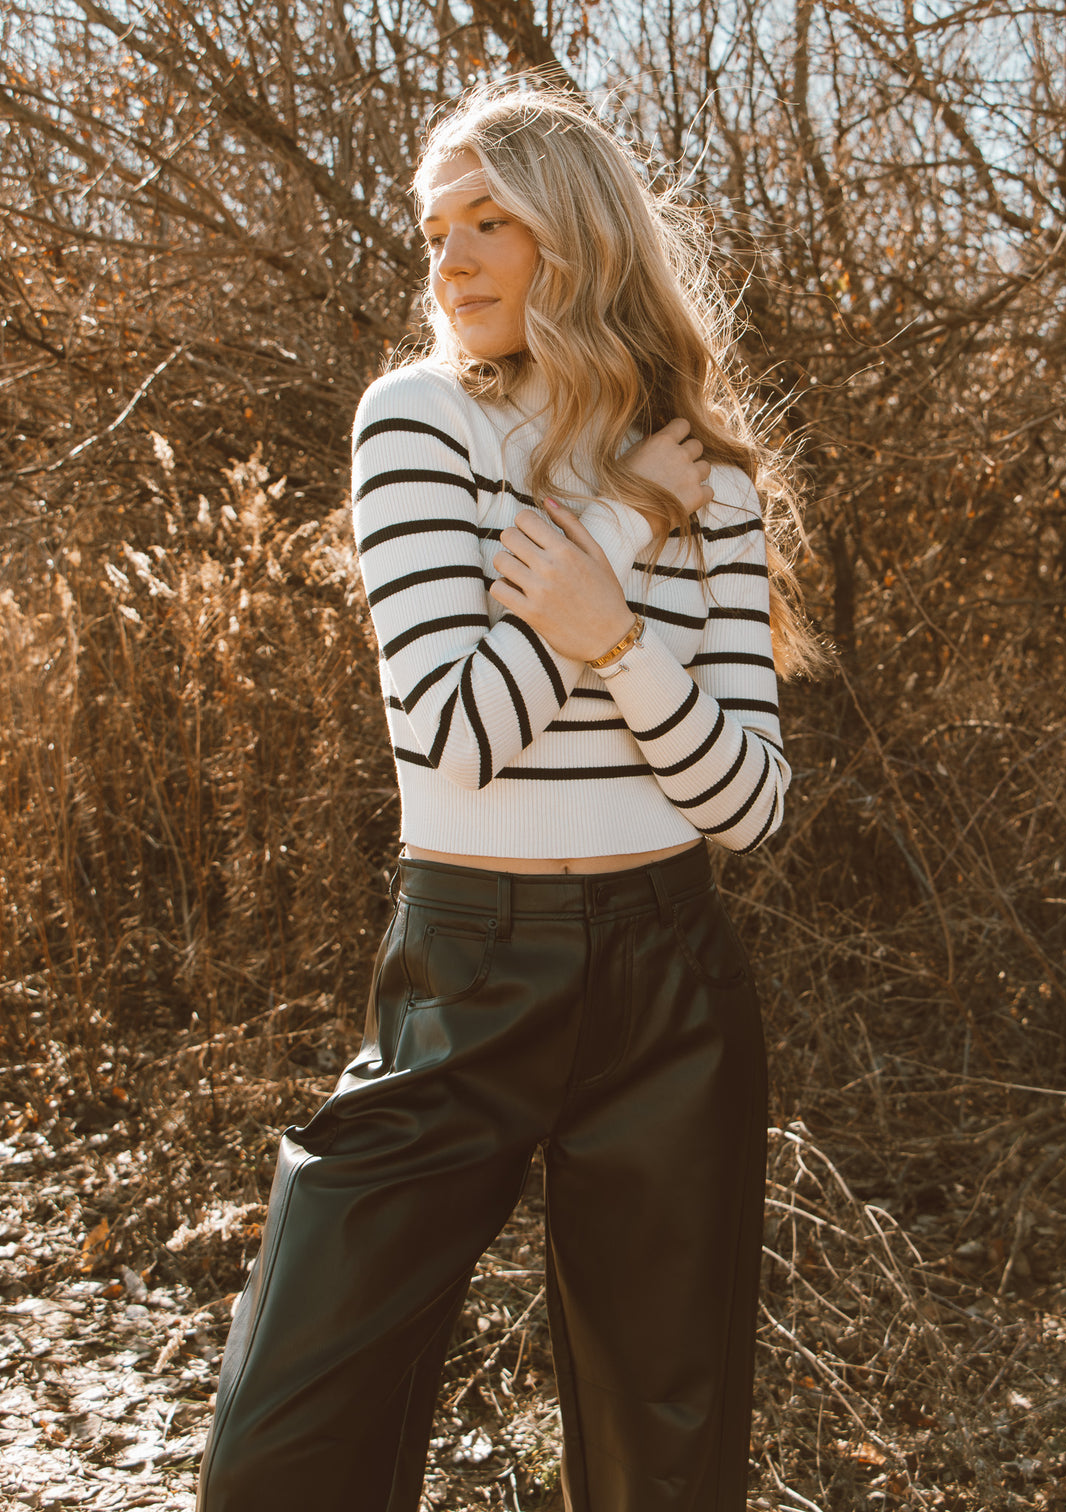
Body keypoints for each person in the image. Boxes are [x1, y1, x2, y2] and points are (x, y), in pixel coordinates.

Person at [197, 81, 820, 1512]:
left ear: (583, 240)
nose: (453, 263)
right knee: (290, 1432)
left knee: (668, 1446)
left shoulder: (710, 478)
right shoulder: (416, 424)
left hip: (670, 983)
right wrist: (614, 525)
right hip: (465, 973)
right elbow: (460, 736)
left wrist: (613, 635)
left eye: (493, 223)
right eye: (435, 233)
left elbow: (753, 809)